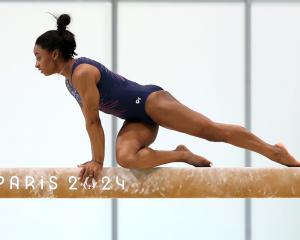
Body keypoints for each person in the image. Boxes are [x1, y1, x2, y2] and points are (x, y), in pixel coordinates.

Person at [34, 13, 299, 188]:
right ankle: (181, 154)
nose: (36, 63)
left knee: (212, 131)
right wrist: (98, 160)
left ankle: (275, 152)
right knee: (127, 158)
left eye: (38, 56)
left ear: (55, 54)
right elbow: (91, 121)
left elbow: (93, 121)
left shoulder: (82, 73)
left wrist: (97, 161)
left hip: (150, 102)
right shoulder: (70, 81)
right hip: (135, 118)